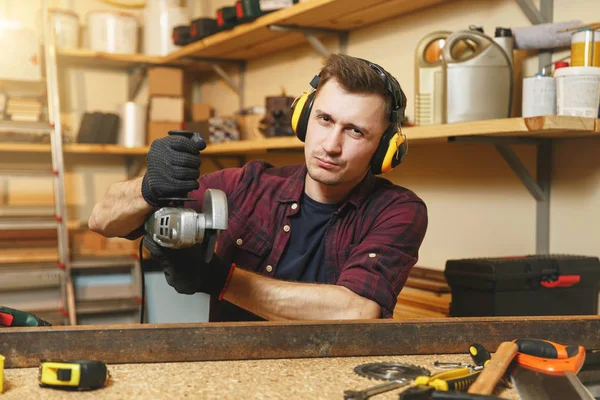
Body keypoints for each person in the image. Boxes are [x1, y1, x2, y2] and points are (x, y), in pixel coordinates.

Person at [89, 53, 428, 322]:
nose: (331, 145)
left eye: (355, 131)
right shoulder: (248, 186)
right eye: (324, 120)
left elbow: (356, 311)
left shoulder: (397, 210)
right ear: (303, 117)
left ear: (385, 149)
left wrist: (218, 278)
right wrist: (150, 187)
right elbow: (103, 220)